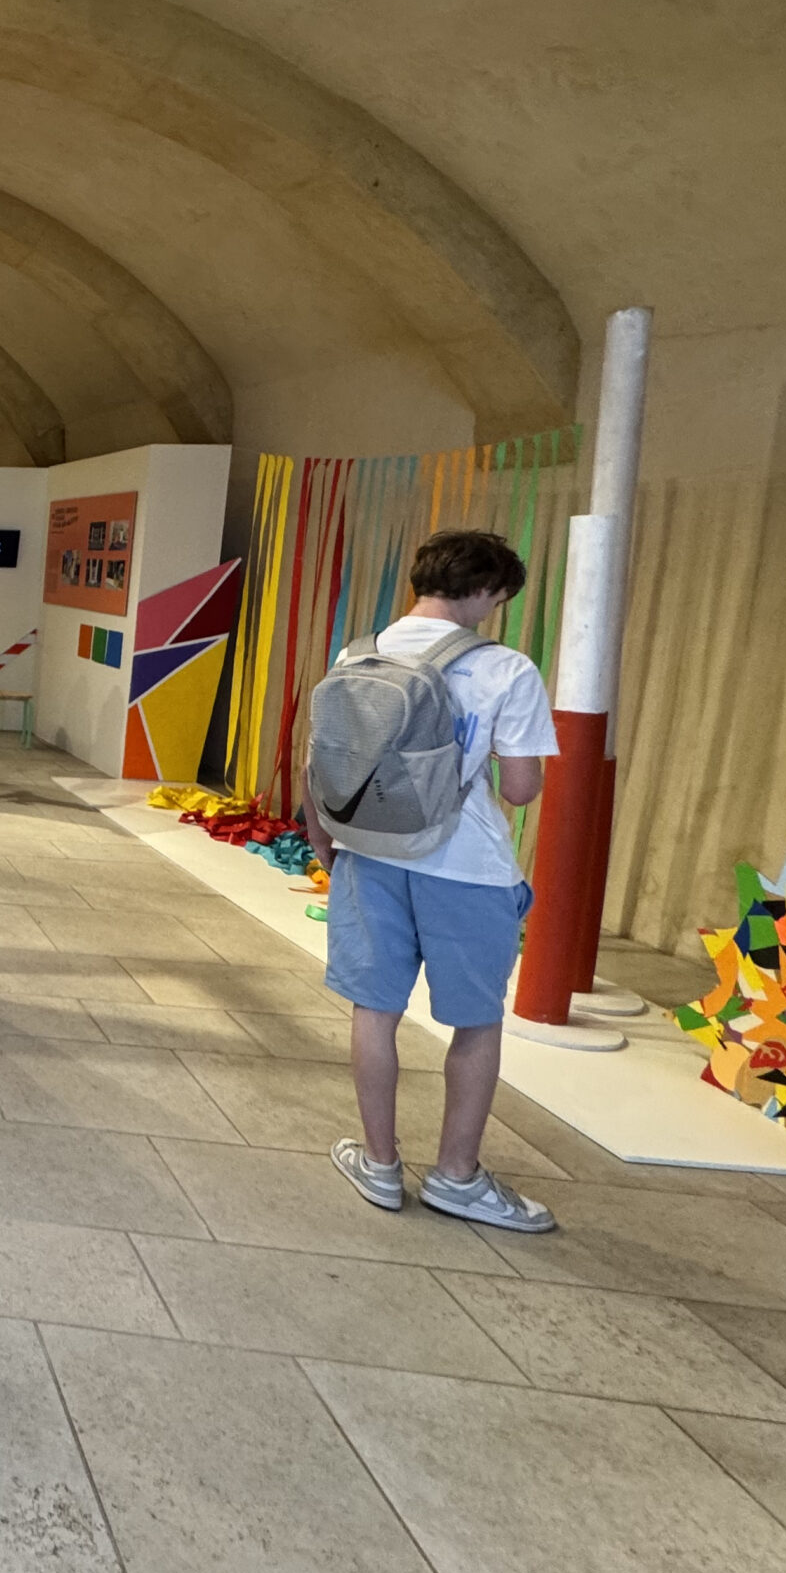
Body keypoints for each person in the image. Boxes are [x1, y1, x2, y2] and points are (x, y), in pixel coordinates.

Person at [307, 529, 558, 1235]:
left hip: (368, 853)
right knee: (475, 1021)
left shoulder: (358, 655)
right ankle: (456, 1176)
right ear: (485, 590)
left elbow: (321, 760)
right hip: (466, 868)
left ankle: (380, 1164)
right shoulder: (507, 669)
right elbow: (521, 789)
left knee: (374, 1010)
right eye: (498, 598)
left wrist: (324, 841)